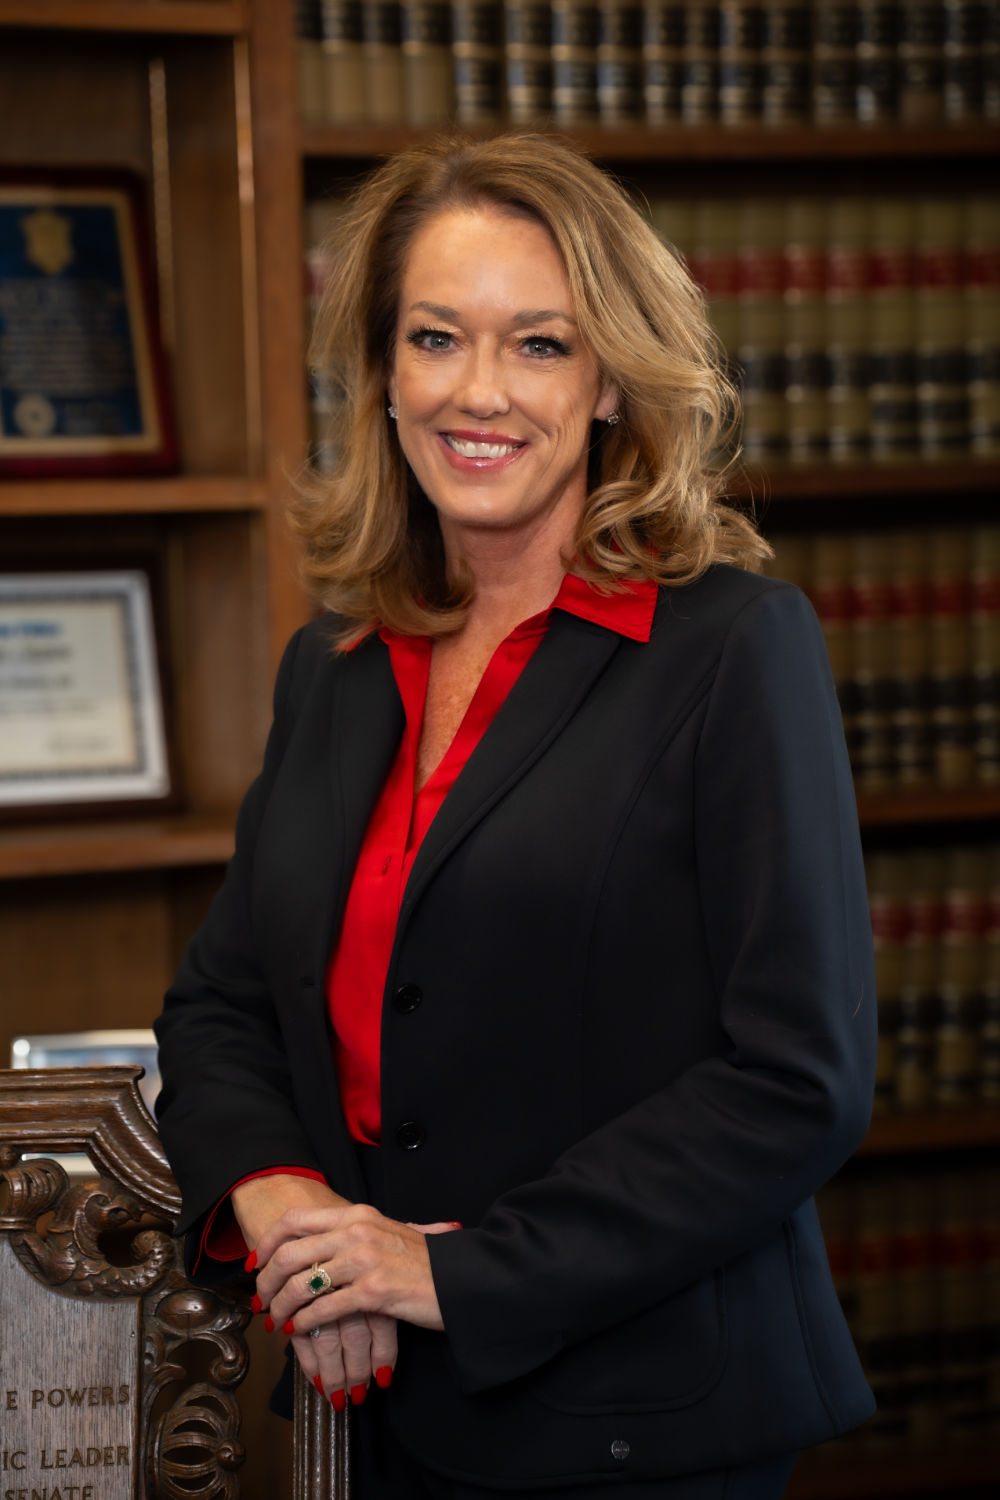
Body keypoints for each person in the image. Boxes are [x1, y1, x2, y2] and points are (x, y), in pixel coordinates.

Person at [154, 134, 876, 1500]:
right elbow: (219, 1009)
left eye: (539, 345)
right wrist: (293, 1211)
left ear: (610, 381)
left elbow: (797, 1079)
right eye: (436, 337)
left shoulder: (733, 648)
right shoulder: (339, 663)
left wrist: (448, 1269)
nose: (477, 392)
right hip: (367, 1409)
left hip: (634, 1422)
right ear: (383, 372)